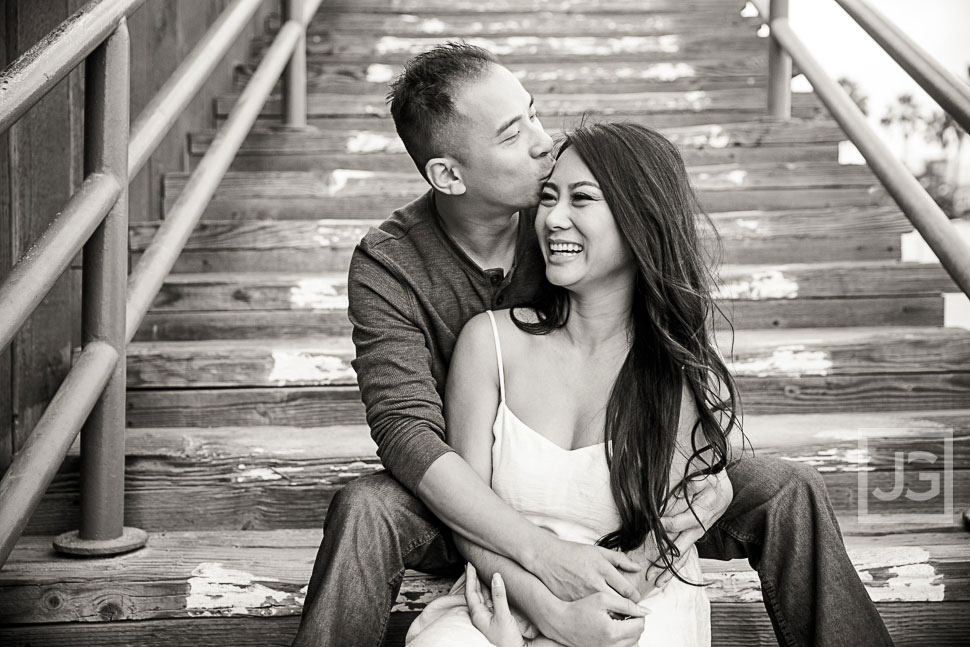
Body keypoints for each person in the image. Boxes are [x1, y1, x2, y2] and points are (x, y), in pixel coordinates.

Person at [290, 43, 894, 647]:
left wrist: (719, 466)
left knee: (787, 487)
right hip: (470, 498)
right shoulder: (391, 262)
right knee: (366, 506)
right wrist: (544, 568)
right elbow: (406, 432)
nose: (541, 141)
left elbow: (670, 350)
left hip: (623, 488)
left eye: (533, 113)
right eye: (511, 134)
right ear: (449, 174)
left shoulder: (570, 219)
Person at [405, 121, 723, 646]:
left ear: (639, 219)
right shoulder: (490, 342)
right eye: (548, 197)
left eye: (582, 199)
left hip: (634, 606)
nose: (553, 219)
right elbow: (468, 524)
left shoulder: (678, 373)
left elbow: (651, 559)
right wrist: (542, 613)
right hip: (502, 596)